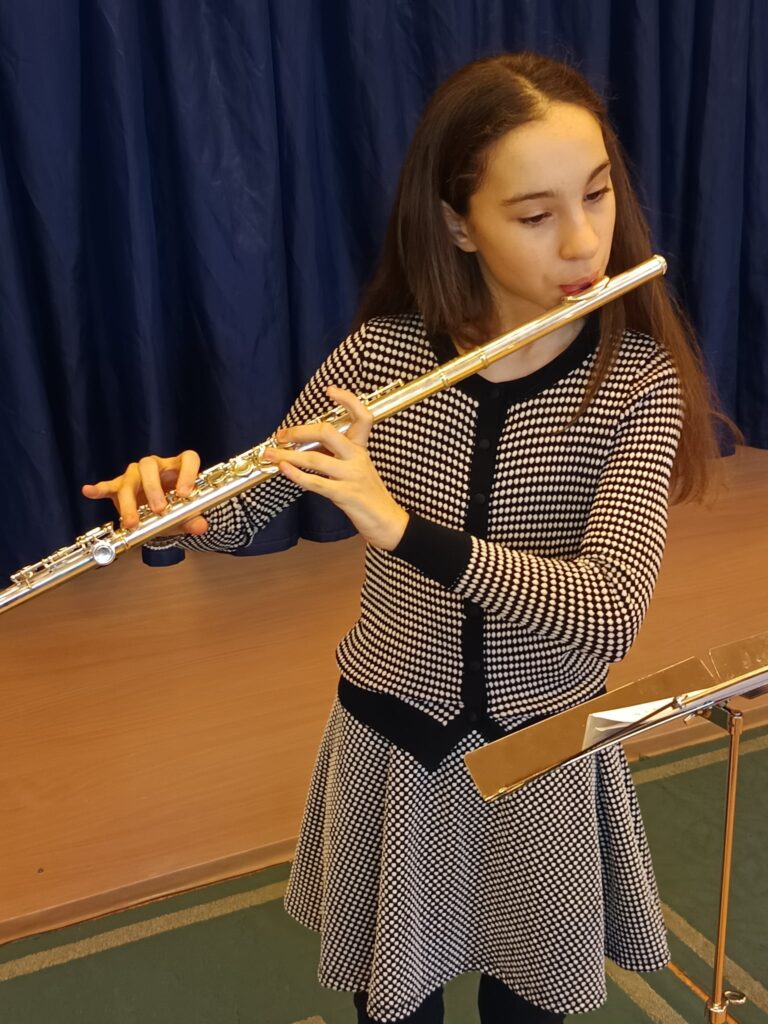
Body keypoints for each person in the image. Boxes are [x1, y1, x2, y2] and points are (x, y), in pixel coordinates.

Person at [83, 52, 729, 1024]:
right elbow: (248, 511)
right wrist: (179, 506)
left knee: (528, 1005)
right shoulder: (383, 355)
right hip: (395, 739)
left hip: (544, 751)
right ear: (458, 223)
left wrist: (396, 526)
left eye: (596, 195)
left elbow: (606, 612)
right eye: (535, 214)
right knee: (395, 1003)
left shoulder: (635, 381)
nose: (583, 241)